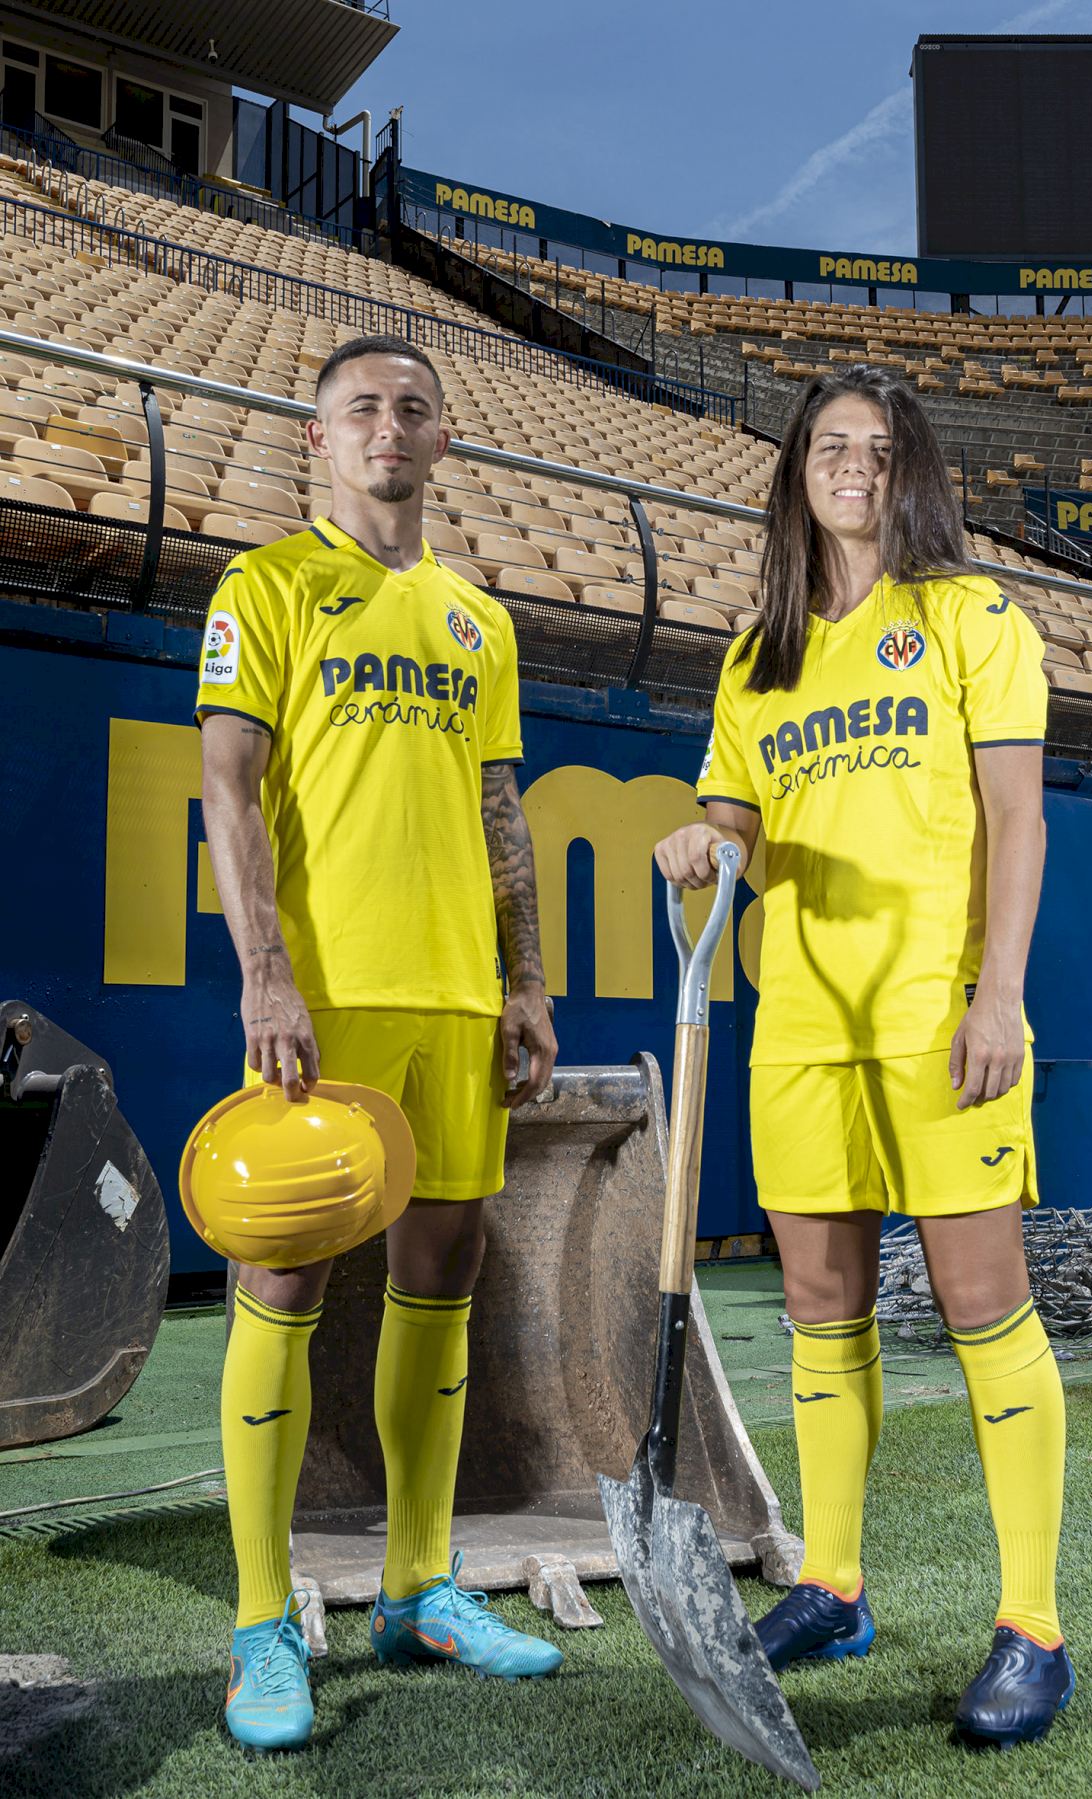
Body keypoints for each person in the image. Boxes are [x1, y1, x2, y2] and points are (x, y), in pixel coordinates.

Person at [654, 365, 1072, 1751]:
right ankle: (832, 1584)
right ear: (797, 471)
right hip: (802, 1027)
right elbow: (735, 822)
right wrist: (704, 839)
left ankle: (1033, 1625)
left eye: (881, 448)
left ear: (914, 471)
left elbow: (1019, 822)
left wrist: (998, 996)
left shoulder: (971, 618)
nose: (854, 465)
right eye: (831, 444)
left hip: (941, 1019)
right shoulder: (757, 655)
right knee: (820, 1307)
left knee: (982, 1305)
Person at [196, 334, 562, 1752]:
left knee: (442, 1280)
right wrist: (266, 975)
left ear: (445, 439)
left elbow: (502, 815)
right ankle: (260, 1623)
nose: (389, 428)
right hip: (325, 999)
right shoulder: (266, 588)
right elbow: (229, 792)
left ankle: (419, 1588)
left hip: (458, 998)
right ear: (319, 438)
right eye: (362, 409)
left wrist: (526, 981)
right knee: (280, 1275)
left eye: (413, 408)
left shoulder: (480, 621)